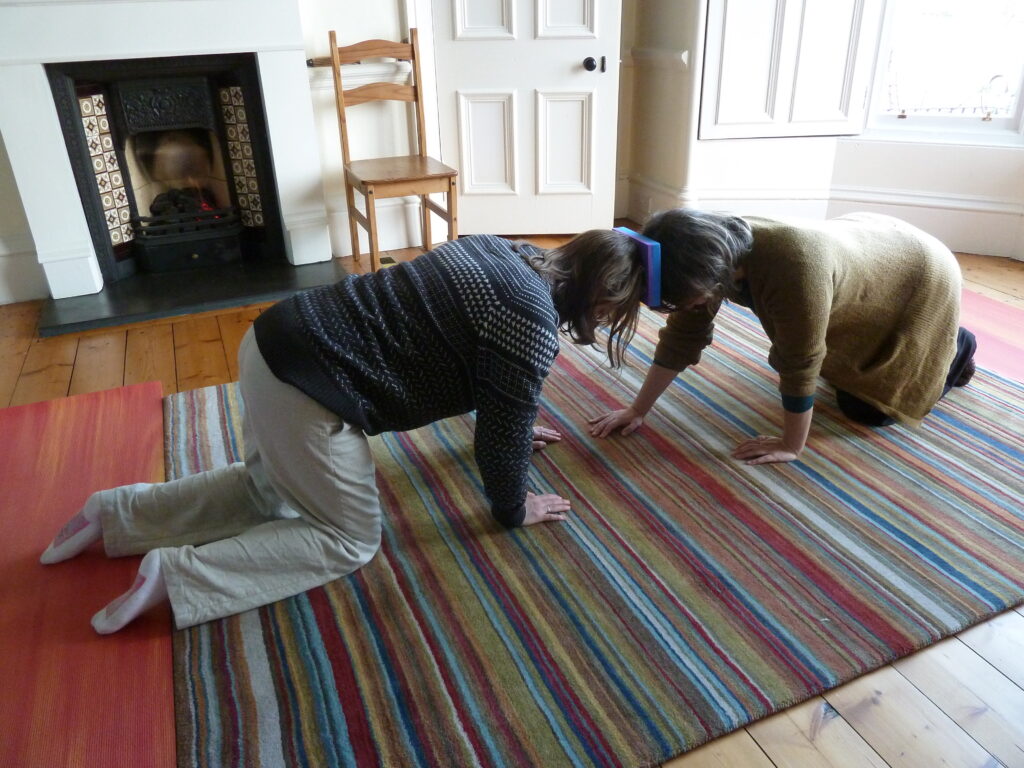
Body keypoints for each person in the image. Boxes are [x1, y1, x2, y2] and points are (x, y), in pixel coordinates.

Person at [42, 231, 646, 633]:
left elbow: (470, 353)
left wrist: (513, 419)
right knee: (348, 538)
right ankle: (179, 575)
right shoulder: (533, 322)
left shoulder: (499, 248)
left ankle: (118, 513)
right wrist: (516, 508)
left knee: (267, 492)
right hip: (314, 392)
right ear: (604, 300)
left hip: (271, 343)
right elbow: (498, 443)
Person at [589, 209, 977, 464]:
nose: (685, 309)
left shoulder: (792, 269)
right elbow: (682, 338)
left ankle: (955, 347)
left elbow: (800, 359)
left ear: (712, 277)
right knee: (835, 368)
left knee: (868, 409)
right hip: (867, 244)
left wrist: (791, 444)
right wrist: (638, 409)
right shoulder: (705, 250)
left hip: (918, 271)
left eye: (686, 301)